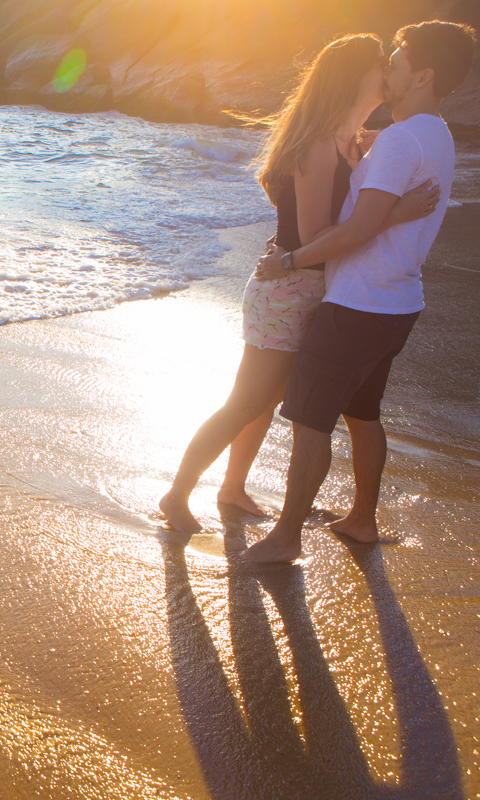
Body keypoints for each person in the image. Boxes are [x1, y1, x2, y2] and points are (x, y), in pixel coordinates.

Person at [158, 34, 440, 535]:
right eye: (380, 65)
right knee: (246, 400)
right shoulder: (319, 145)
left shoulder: (351, 142)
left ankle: (232, 487)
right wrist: (394, 213)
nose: (388, 74)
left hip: (316, 287)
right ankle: (176, 493)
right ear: (355, 78)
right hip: (287, 287)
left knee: (265, 401)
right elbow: (315, 236)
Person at [245, 21, 477, 563]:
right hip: (398, 300)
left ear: (423, 75)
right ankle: (362, 519)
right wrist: (362, 160)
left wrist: (289, 260)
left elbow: (357, 229)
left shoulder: (400, 139)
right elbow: (375, 212)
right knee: (363, 412)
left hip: (358, 303)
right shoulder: (436, 133)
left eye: (395, 64)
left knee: (308, 419)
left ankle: (284, 538)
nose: (387, 71)